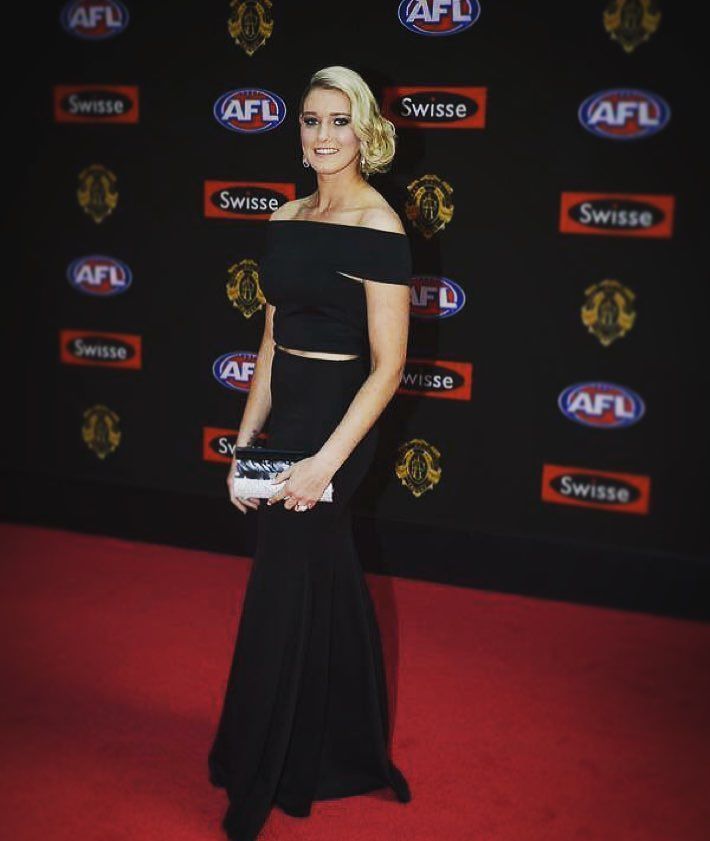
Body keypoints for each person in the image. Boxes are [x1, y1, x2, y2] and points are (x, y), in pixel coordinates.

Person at [207, 65, 412, 841]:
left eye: (339, 120)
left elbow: (388, 367)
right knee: (323, 574)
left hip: (339, 422)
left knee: (282, 581)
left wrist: (326, 461)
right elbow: (269, 340)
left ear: (365, 130)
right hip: (288, 412)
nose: (323, 135)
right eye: (311, 119)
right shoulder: (286, 216)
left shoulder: (378, 226)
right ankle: (344, 745)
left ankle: (265, 766)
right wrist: (244, 443)